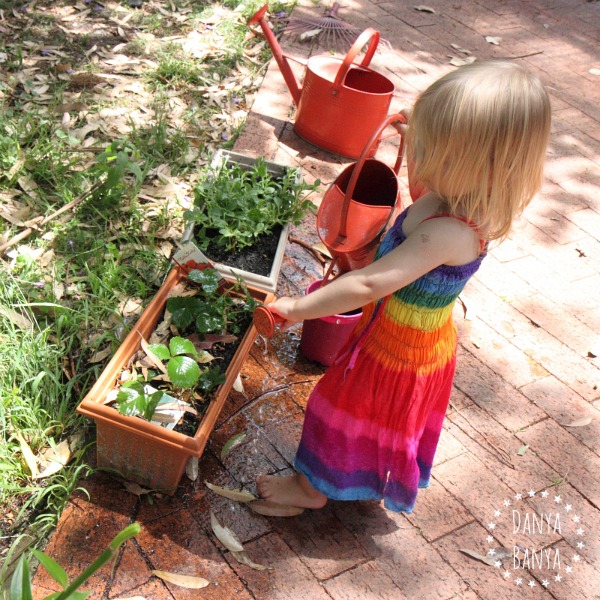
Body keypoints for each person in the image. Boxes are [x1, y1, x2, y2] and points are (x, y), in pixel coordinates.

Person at [257, 59, 551, 512]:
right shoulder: (448, 197)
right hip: (394, 332)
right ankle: (358, 478)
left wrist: (297, 308)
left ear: (472, 164)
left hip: (399, 350)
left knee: (334, 410)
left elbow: (369, 284)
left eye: (431, 150)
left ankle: (311, 490)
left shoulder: (449, 232)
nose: (419, 160)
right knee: (369, 418)